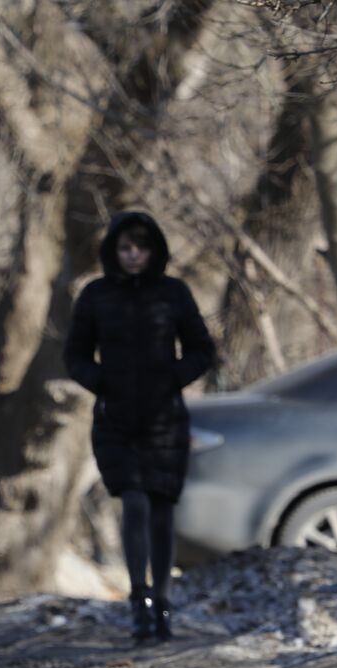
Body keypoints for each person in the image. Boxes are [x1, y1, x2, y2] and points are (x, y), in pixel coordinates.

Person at [64, 211, 216, 645]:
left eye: (141, 248)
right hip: (116, 419)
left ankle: (164, 603)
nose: (133, 256)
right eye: (125, 248)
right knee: (133, 503)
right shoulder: (95, 295)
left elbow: (202, 349)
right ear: (114, 251)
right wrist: (101, 383)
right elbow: (74, 355)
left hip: (165, 418)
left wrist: (172, 376)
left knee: (162, 511)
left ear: (154, 251)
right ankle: (138, 600)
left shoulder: (173, 294)